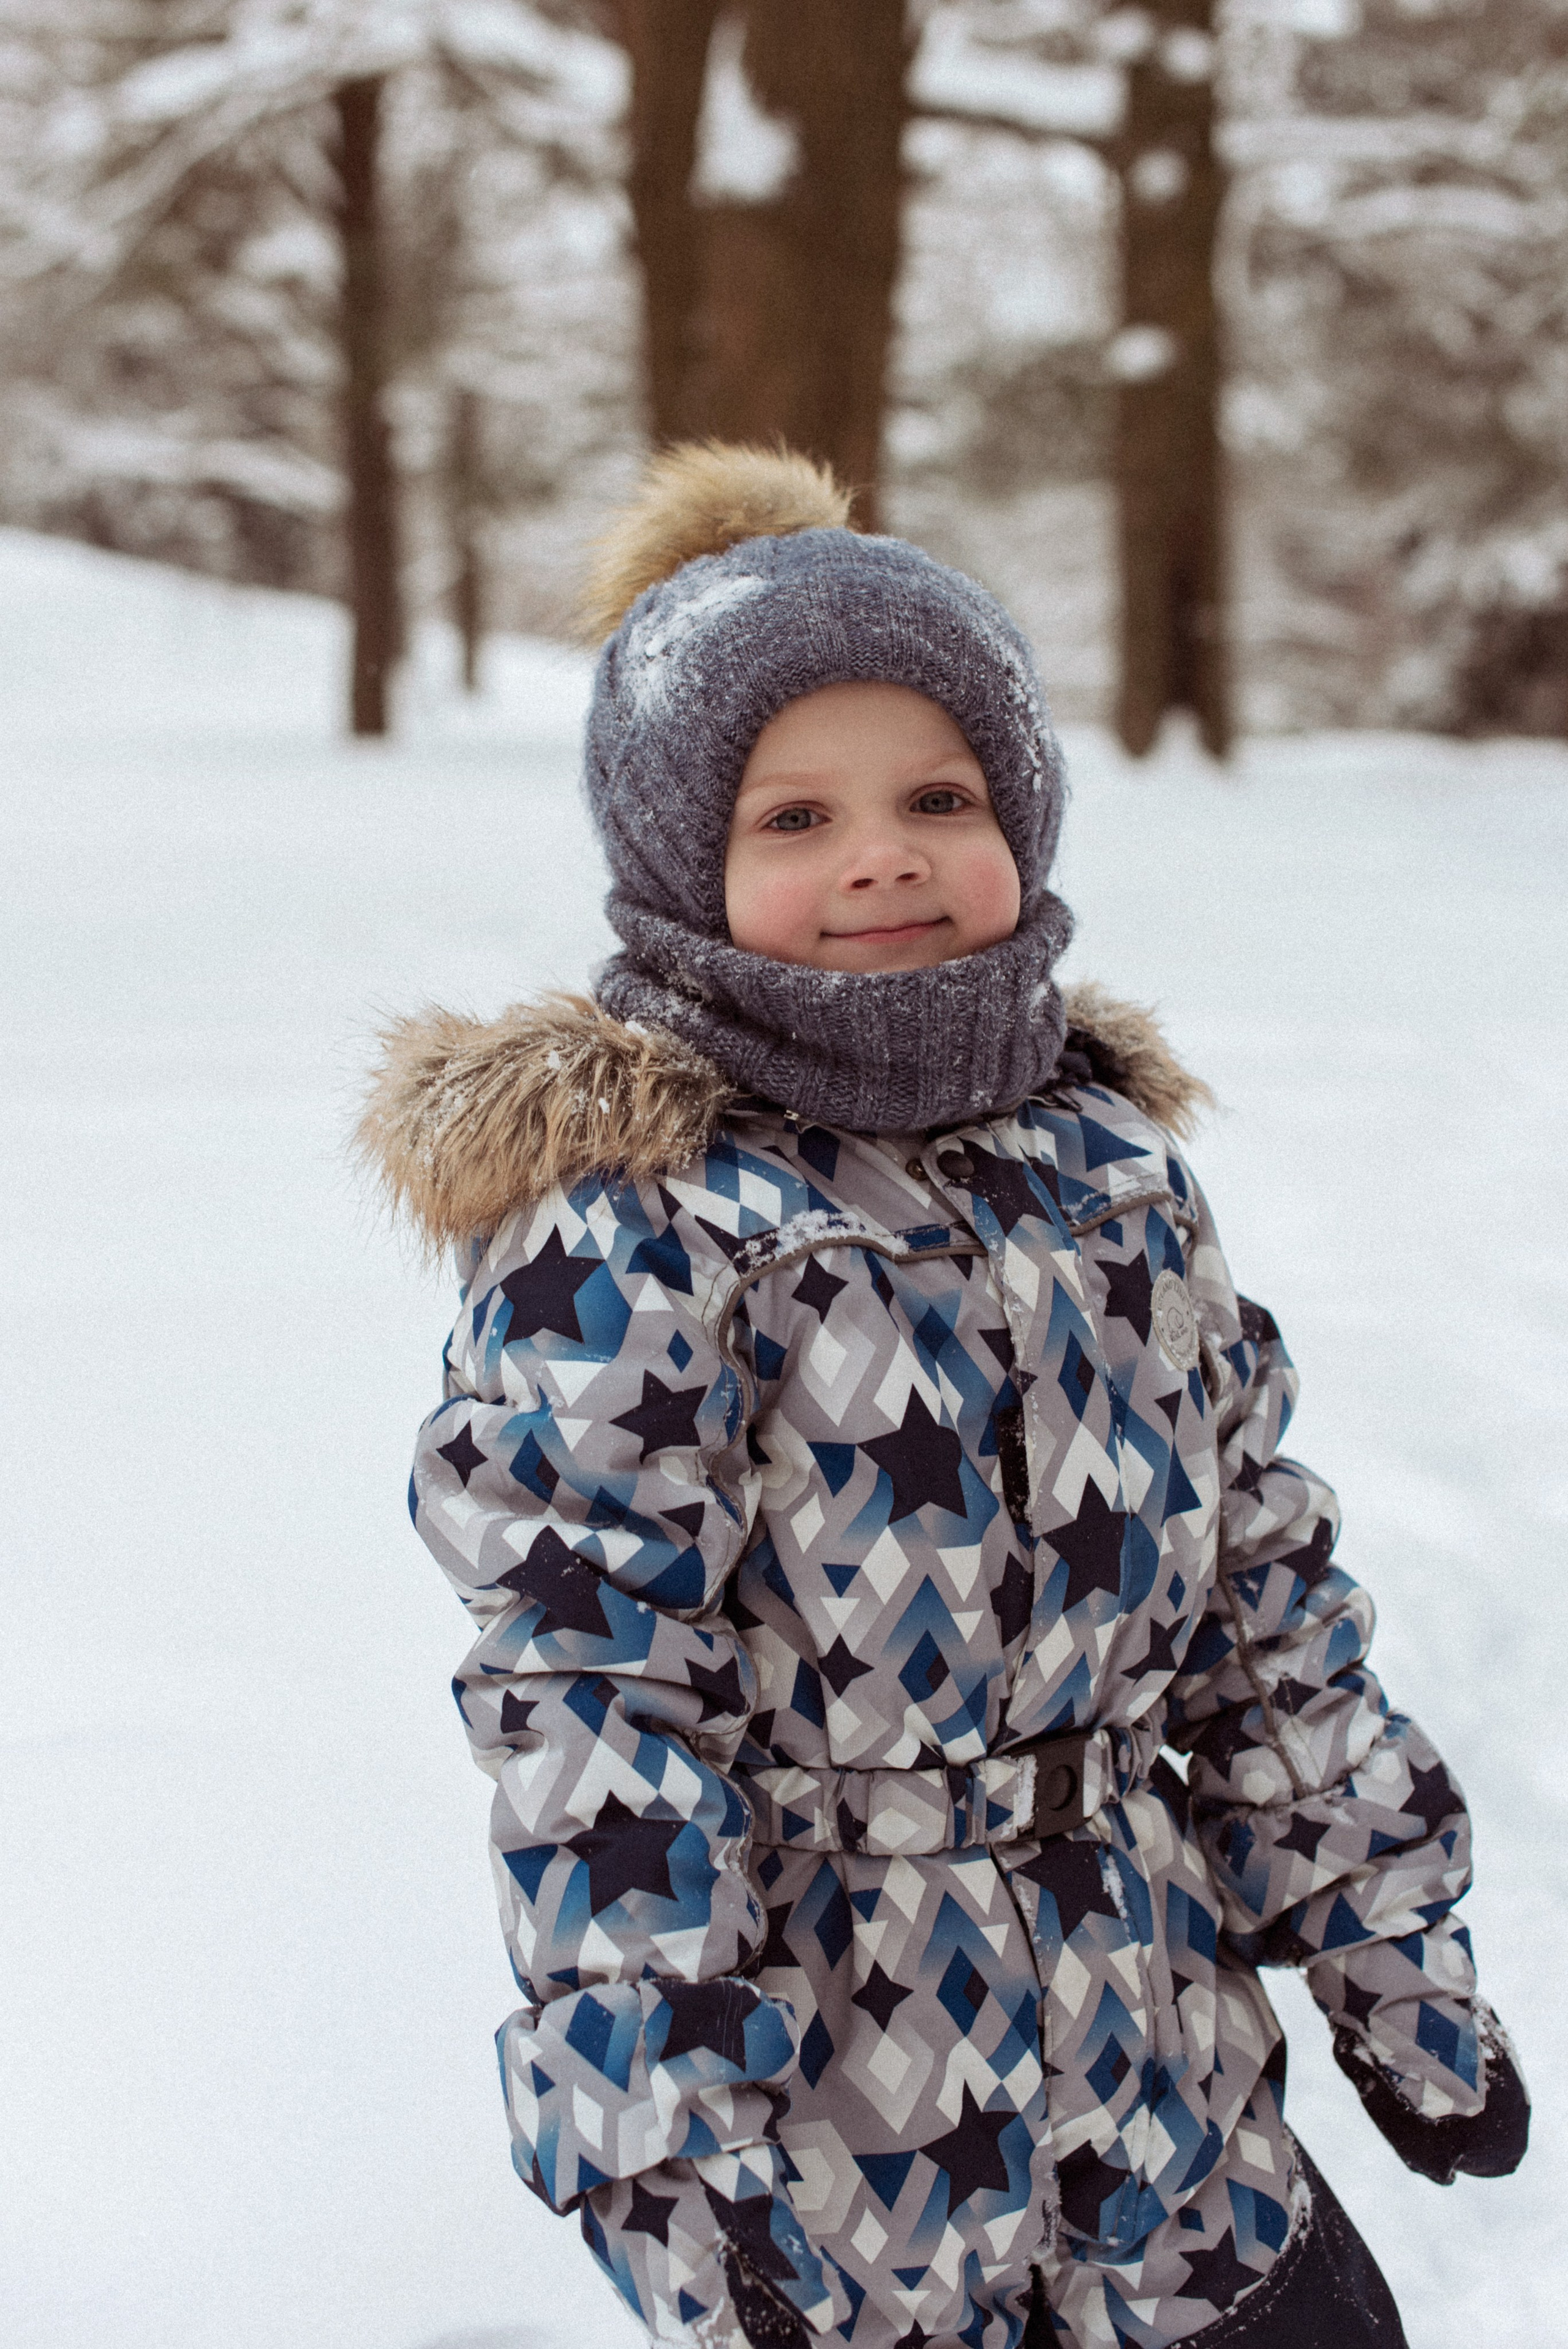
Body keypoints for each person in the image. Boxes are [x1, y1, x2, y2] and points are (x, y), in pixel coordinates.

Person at [360, 443, 1528, 2349]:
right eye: (795, 815)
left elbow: (1264, 1612)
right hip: (853, 2138)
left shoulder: (1116, 1178)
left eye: (938, 793)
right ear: (682, 869)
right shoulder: (639, 1233)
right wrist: (665, 2123)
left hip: (1170, 2107)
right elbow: (595, 1706)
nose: (882, 852)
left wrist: (1383, 1939)